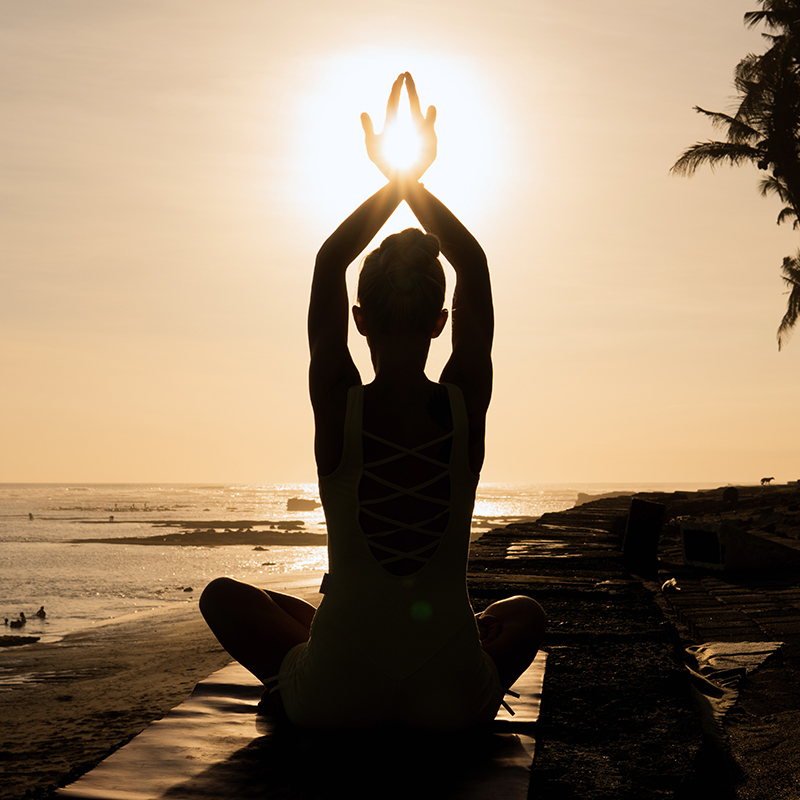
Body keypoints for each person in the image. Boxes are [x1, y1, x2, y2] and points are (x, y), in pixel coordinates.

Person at [200, 73, 546, 730]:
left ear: (359, 320)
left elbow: (329, 261)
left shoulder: (337, 403)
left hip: (336, 698)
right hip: (450, 698)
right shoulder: (466, 403)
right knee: (527, 613)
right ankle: (424, 643)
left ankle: (322, 653)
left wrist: (389, 179)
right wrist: (418, 179)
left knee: (225, 597)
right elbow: (473, 263)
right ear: (441, 321)